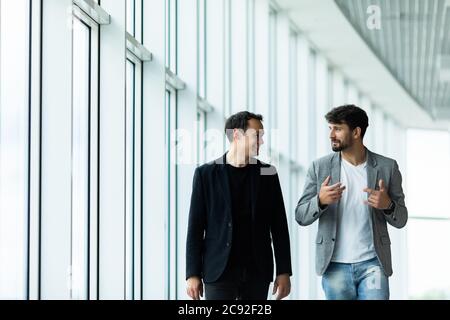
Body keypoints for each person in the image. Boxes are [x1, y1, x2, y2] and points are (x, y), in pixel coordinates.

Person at [296, 105, 407, 300]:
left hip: (373, 264)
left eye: (337, 129)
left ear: (356, 132)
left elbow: (401, 219)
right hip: (334, 265)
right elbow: (301, 216)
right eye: (330, 128)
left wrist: (387, 205)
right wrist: (320, 201)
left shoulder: (387, 167)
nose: (331, 135)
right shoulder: (319, 167)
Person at [186, 111, 292, 300]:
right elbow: (195, 228)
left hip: (257, 271)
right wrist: (192, 274)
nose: (261, 142)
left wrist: (284, 272)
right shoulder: (205, 174)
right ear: (237, 135)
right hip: (218, 271)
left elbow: (279, 227)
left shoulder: (268, 173)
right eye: (257, 136)